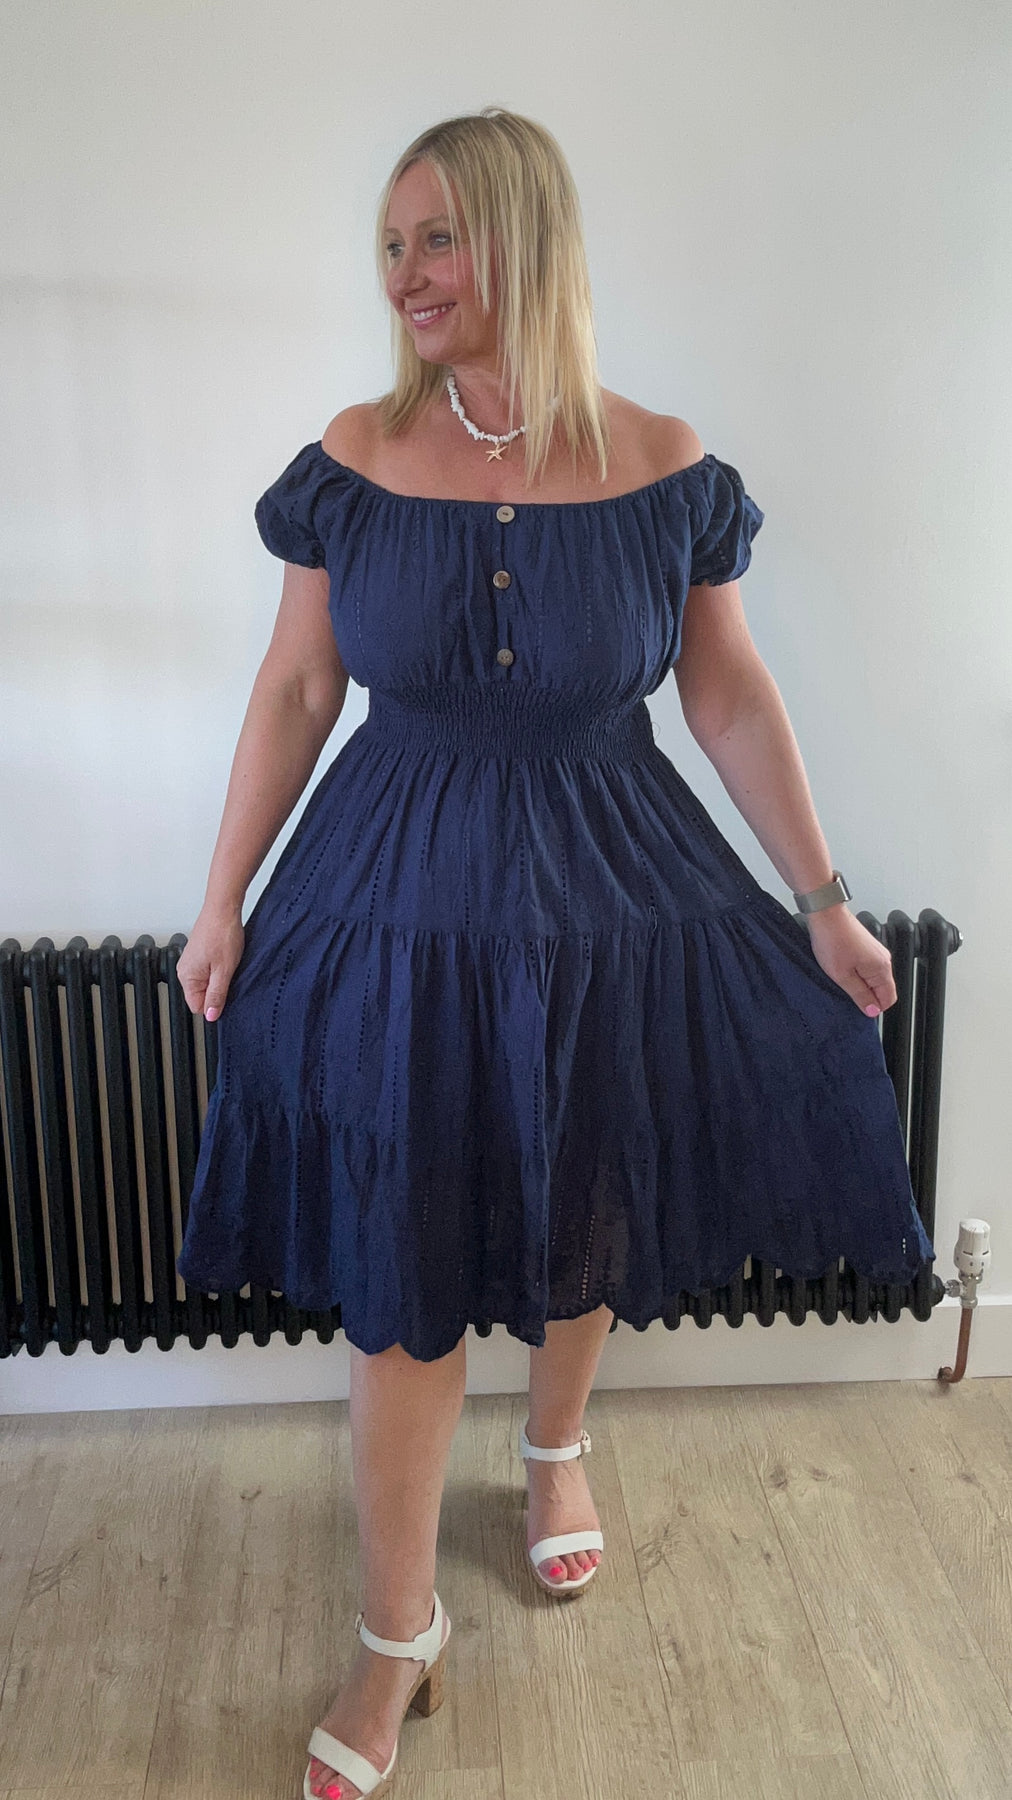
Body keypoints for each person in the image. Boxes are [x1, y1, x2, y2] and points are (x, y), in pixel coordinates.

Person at [174, 107, 935, 1800]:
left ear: (527, 235)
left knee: (584, 1175)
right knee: (402, 1255)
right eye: (391, 246)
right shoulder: (357, 454)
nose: (407, 272)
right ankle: (395, 1630)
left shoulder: (662, 460)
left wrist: (821, 897)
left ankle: (556, 1443)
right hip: (396, 900)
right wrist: (221, 896)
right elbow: (297, 687)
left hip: (611, 889)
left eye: (438, 235)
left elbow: (726, 694)